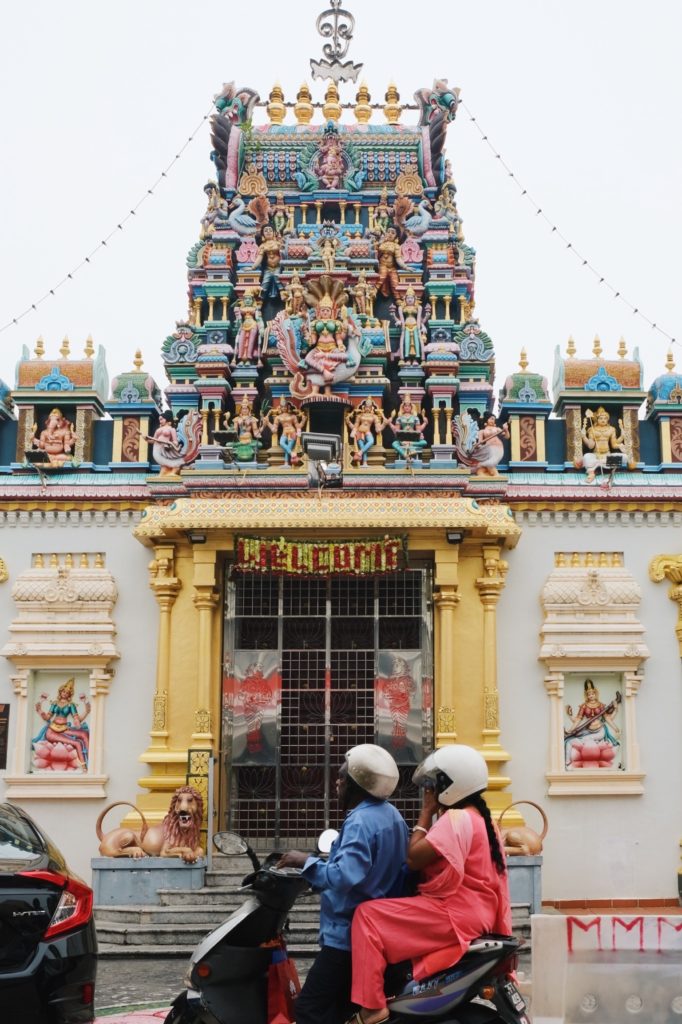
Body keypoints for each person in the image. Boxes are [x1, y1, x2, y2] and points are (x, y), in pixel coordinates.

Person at [347, 744, 511, 1024]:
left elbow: (413, 858)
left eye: (435, 784)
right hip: (478, 914)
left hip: (453, 913)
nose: (431, 791)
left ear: (451, 784)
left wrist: (425, 813)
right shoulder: (486, 821)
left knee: (367, 916)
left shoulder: (456, 819)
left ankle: (373, 1008)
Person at [277, 744, 408, 1024]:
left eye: (342, 777)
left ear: (356, 783)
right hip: (379, 933)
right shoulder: (393, 816)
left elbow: (343, 876)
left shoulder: (360, 821)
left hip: (348, 936)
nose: (337, 783)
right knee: (341, 1010)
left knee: (310, 1009)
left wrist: (304, 862)